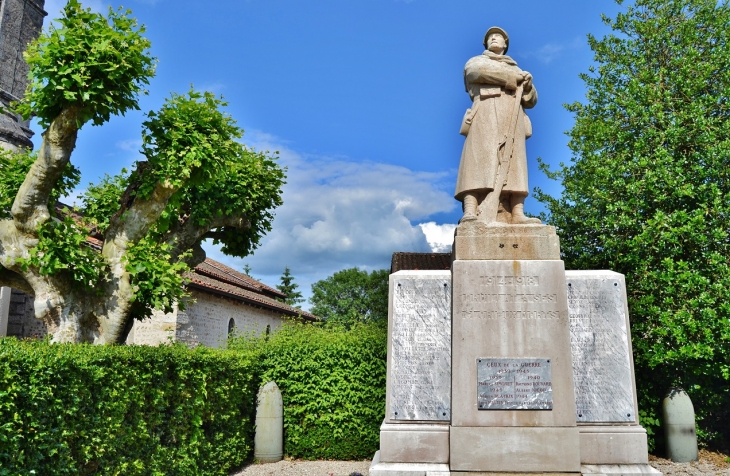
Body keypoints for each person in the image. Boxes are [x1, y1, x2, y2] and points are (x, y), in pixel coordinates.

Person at [455, 26, 541, 225]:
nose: (494, 38)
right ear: (486, 43)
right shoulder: (477, 61)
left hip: (512, 115)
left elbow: (532, 100)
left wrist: (527, 84)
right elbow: (474, 73)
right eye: (491, 37)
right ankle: (471, 209)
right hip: (485, 111)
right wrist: (512, 79)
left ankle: (517, 212)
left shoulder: (516, 68)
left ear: (505, 44)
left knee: (514, 163)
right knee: (478, 160)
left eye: (499, 37)